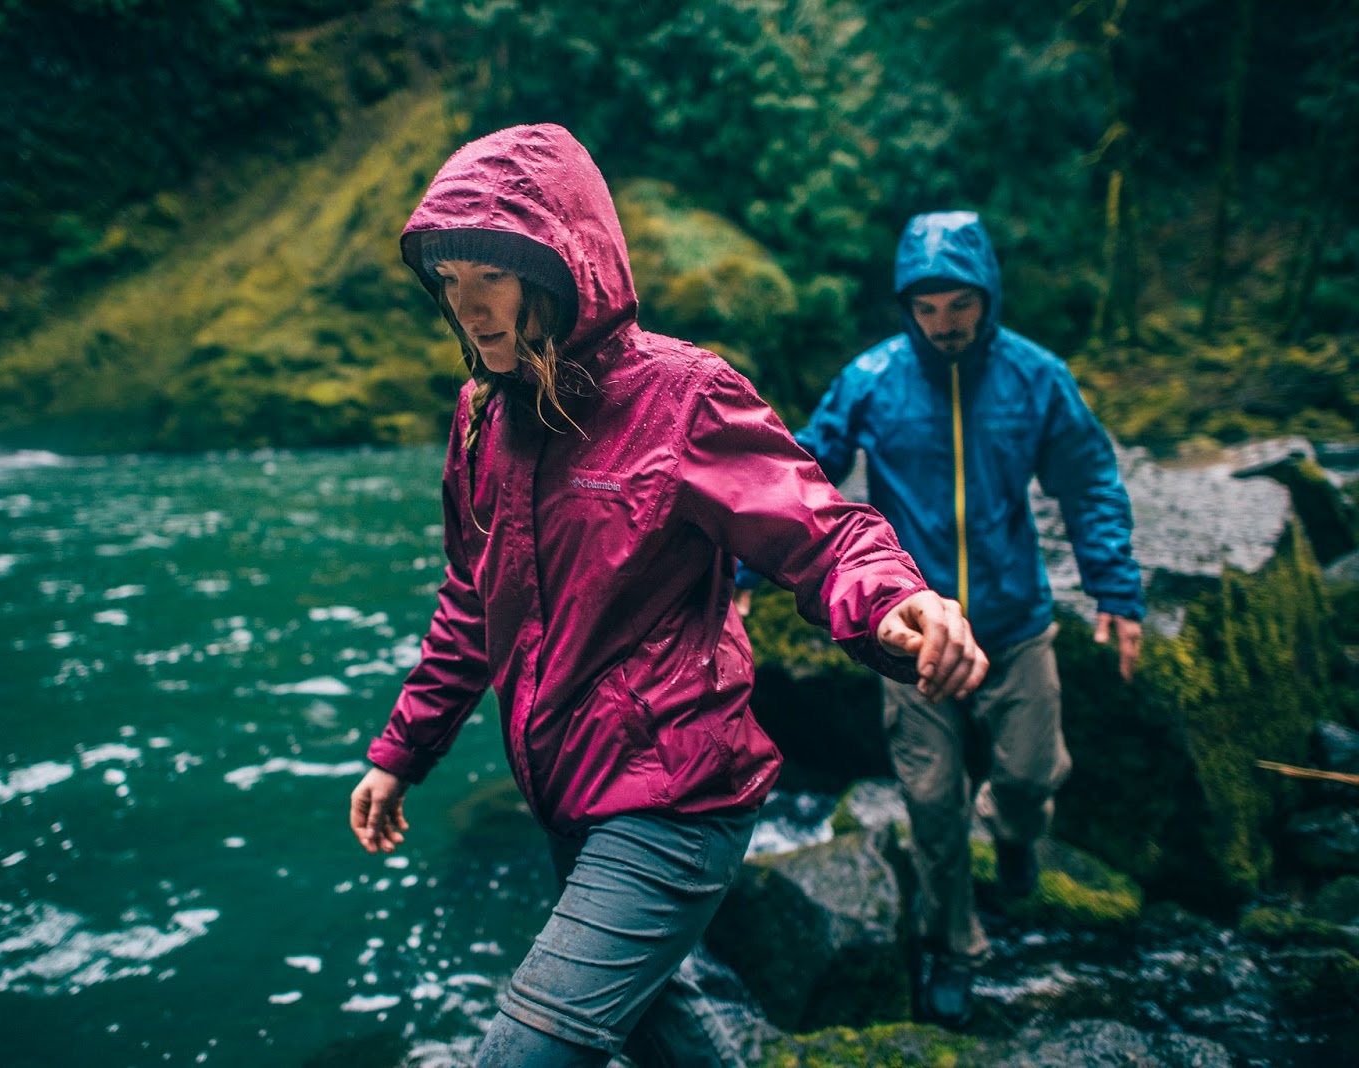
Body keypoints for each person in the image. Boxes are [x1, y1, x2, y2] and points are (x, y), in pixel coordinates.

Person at [346, 126, 989, 1067]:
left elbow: (816, 527)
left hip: (677, 798)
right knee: (667, 1027)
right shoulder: (481, 413)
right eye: (449, 279)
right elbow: (469, 601)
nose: (467, 305)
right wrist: (403, 749)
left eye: (490, 274)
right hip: (572, 795)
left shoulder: (681, 395)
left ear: (558, 265)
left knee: (522, 1055)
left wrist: (897, 603)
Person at [735, 210, 1145, 1030]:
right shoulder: (872, 379)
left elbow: (1088, 481)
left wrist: (1117, 593)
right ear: (906, 308)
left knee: (1032, 773)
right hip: (910, 628)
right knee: (929, 799)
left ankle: (1019, 834)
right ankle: (953, 945)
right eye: (927, 309)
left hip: (1017, 621)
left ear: (986, 295)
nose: (944, 323)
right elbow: (806, 474)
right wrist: (743, 570)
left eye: (958, 304)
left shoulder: (1037, 378)